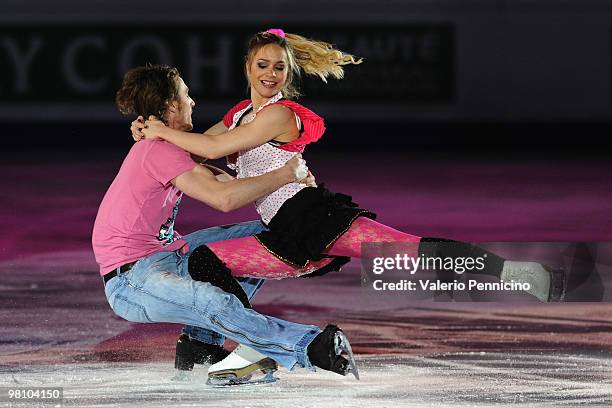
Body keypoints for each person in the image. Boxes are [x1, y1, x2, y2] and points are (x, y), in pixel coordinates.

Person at [133, 28, 566, 378]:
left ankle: (519, 273)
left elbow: (216, 146)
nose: (270, 74)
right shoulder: (241, 113)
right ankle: (226, 351)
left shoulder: (280, 114)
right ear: (247, 66)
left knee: (408, 252)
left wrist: (160, 131)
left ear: (289, 72)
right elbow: (201, 145)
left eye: (279, 67)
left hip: (312, 216)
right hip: (284, 233)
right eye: (263, 65)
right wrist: (149, 129)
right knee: (207, 260)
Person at [93, 64, 359, 384]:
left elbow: (226, 181)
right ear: (171, 106)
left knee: (260, 238)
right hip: (131, 279)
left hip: (167, 255)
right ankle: (309, 346)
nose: (193, 103)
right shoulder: (156, 151)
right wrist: (284, 174)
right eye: (187, 96)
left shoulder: (167, 146)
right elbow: (224, 200)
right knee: (212, 301)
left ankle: (201, 345)